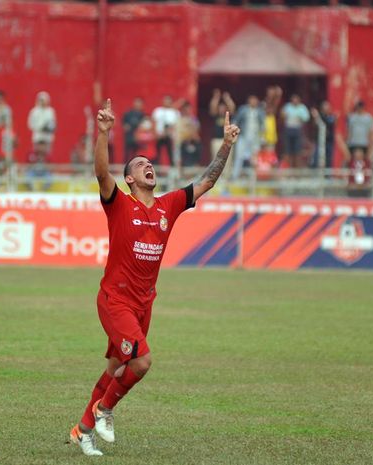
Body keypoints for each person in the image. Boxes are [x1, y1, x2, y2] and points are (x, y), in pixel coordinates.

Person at [69, 99, 239, 456]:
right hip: (115, 300)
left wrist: (225, 145)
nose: (149, 166)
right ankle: (105, 410)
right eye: (141, 165)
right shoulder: (118, 203)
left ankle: (83, 429)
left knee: (118, 365)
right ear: (129, 178)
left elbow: (206, 181)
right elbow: (101, 173)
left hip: (144, 303)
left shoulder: (168, 206)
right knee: (142, 362)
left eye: (150, 164)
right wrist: (103, 133)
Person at [280, 94, 310, 168]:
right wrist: (283, 114)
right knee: (288, 151)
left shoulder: (302, 108)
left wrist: (299, 116)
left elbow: (306, 118)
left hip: (297, 129)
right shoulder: (287, 107)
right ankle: (289, 169)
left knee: (297, 151)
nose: (295, 101)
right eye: (294, 99)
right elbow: (282, 116)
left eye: (296, 99)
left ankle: (297, 170)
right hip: (288, 129)